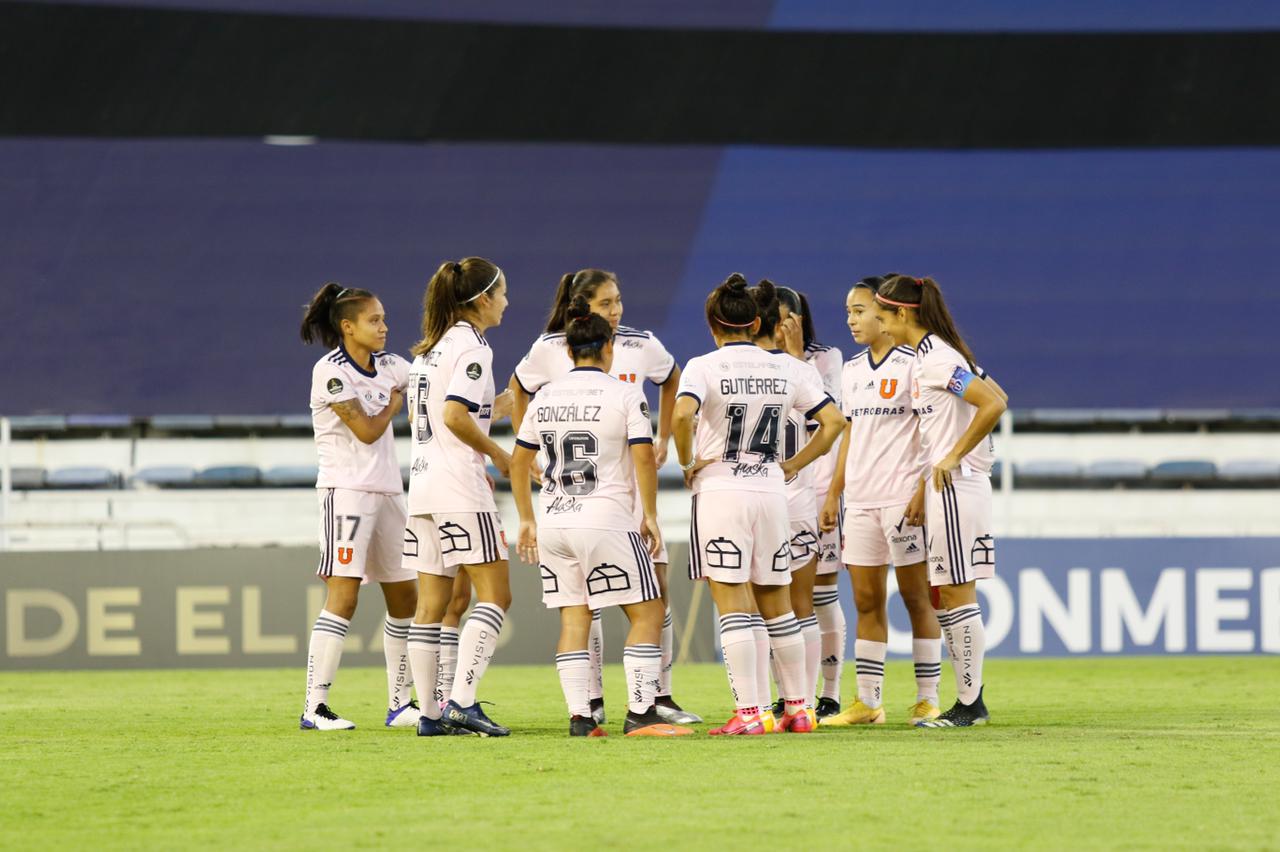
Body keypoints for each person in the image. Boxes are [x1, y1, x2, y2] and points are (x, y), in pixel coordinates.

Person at [508, 268, 698, 726]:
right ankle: (641, 713)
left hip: (554, 520)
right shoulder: (624, 393)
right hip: (609, 517)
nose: (617, 311)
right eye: (608, 304)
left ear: (569, 350)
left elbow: (516, 461)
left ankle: (581, 718)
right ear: (608, 350)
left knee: (575, 617)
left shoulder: (546, 397)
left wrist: (527, 519)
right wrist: (650, 514)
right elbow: (644, 460)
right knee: (650, 609)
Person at [672, 274, 845, 735]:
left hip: (722, 490)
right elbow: (832, 423)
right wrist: (794, 463)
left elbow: (682, 414)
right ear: (754, 323)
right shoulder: (791, 368)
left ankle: (750, 713)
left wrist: (687, 461)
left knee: (732, 603)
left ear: (714, 324)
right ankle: (800, 709)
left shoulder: (702, 366)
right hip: (772, 491)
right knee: (779, 604)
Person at [869, 275, 1008, 728]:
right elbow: (999, 394)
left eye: (883, 315)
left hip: (955, 486)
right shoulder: (936, 357)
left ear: (902, 314)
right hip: (949, 486)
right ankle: (968, 700)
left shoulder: (935, 360)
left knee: (955, 592)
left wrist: (951, 457)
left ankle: (970, 705)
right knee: (946, 594)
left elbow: (992, 404)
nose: (880, 324)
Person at [818, 276, 942, 727]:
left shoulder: (915, 364)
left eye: (858, 310)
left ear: (885, 313)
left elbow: (933, 432)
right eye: (848, 311)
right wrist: (834, 493)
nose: (850, 319)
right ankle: (868, 702)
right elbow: (849, 435)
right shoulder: (851, 370)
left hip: (903, 498)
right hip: (862, 500)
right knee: (866, 603)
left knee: (916, 600)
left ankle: (928, 698)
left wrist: (923, 490)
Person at [402, 257, 515, 737]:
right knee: (497, 596)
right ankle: (462, 702)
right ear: (483, 299)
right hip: (460, 487)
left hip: (423, 485)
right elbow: (454, 415)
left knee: (430, 606)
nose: (508, 302)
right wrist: (497, 454)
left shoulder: (427, 352)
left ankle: (428, 714)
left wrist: (513, 401)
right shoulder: (473, 348)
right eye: (503, 293)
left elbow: (427, 418)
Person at [299, 282, 419, 731]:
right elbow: (367, 431)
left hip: (389, 492)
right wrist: (393, 405)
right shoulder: (329, 371)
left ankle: (399, 704)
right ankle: (315, 706)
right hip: (345, 492)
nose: (384, 326)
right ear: (347, 327)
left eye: (384, 317)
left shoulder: (391, 365)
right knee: (344, 597)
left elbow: (428, 382)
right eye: (374, 320)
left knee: (405, 596)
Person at [750, 282, 824, 729]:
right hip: (774, 496)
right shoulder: (788, 371)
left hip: (793, 499)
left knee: (797, 605)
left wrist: (796, 465)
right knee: (770, 608)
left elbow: (836, 425)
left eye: (788, 321)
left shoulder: (813, 366)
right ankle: (785, 701)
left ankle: (801, 699)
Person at [780, 289, 847, 720]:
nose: (782, 325)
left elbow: (829, 414)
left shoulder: (827, 357)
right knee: (781, 598)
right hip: (781, 488)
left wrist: (794, 354)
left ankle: (831, 691)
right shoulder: (761, 361)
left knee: (822, 592)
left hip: (819, 487)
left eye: (789, 317)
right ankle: (790, 693)